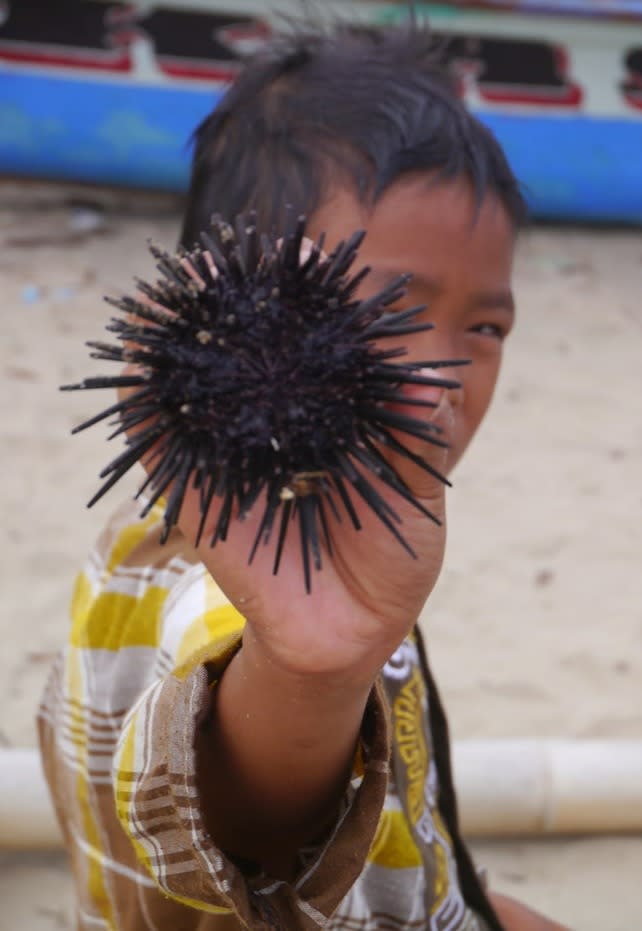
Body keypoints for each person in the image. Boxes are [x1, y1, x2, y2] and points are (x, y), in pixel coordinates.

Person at [39, 22, 570, 931]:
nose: (442, 375)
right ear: (242, 307)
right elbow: (251, 826)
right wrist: (309, 674)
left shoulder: (343, 547)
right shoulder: (240, 596)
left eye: (486, 328)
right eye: (391, 309)